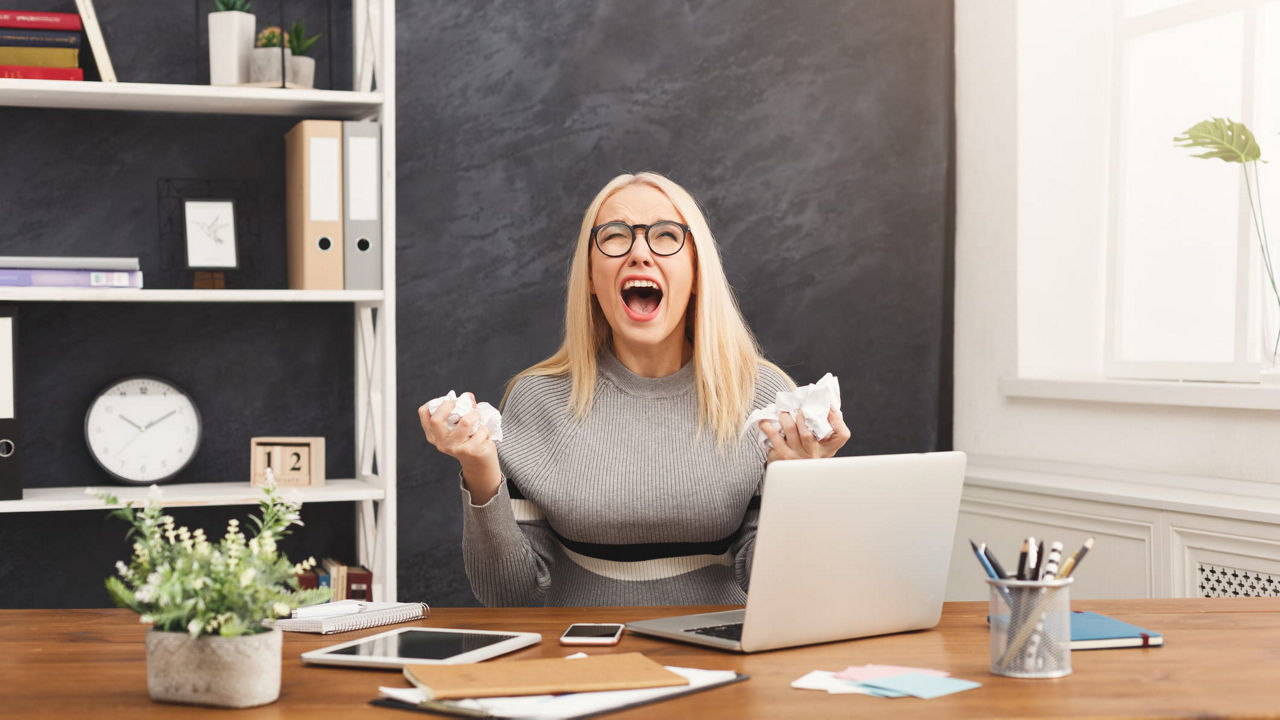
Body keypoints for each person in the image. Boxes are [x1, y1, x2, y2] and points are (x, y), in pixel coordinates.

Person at [419, 172, 850, 606]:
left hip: (725, 659)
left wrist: (801, 483)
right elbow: (510, 595)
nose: (639, 253)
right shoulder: (537, 400)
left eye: (665, 236)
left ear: (697, 272)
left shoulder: (763, 399)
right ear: (590, 276)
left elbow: (783, 589)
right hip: (582, 661)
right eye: (615, 236)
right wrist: (479, 469)